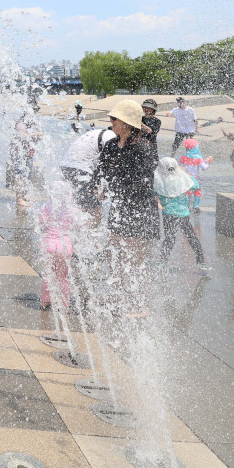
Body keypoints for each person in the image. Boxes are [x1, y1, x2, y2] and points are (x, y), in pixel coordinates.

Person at [91, 100, 158, 312]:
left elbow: (145, 180)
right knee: (114, 253)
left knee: (135, 258)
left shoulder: (142, 148)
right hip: (120, 207)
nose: (111, 123)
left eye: (114, 119)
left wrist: (118, 187)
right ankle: (118, 296)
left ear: (127, 123)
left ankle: (140, 304)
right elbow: (101, 168)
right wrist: (99, 186)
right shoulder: (112, 144)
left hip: (140, 208)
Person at [155, 157, 207, 271]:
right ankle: (201, 262)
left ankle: (162, 262)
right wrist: (187, 174)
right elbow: (196, 186)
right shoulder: (181, 178)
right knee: (192, 238)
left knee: (169, 239)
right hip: (183, 214)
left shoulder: (159, 180)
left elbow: (153, 191)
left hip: (168, 214)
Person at [60, 125, 117, 220]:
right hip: (79, 169)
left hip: (68, 167)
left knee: (79, 207)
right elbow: (108, 166)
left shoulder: (105, 133)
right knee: (96, 212)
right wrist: (98, 187)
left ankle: (66, 230)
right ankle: (82, 234)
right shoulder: (112, 138)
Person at [38, 181, 77, 311]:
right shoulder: (71, 208)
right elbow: (78, 225)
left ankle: (45, 300)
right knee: (62, 276)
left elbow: (41, 222)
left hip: (48, 243)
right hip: (64, 245)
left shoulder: (46, 206)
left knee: (48, 273)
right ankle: (65, 305)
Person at [178, 138, 211, 222]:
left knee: (188, 192)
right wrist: (207, 161)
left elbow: (180, 168)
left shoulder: (183, 158)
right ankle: (195, 206)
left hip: (186, 179)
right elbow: (204, 168)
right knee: (197, 191)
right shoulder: (198, 158)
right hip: (195, 179)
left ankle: (187, 207)